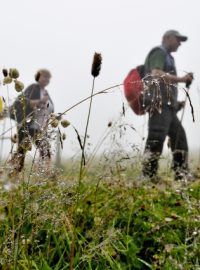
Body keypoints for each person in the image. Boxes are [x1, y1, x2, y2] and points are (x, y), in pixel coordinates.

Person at [142, 30, 194, 182]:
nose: (180, 43)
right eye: (178, 39)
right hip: (158, 104)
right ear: (167, 38)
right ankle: (148, 176)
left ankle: (181, 173)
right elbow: (156, 73)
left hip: (168, 107)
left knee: (180, 138)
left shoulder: (169, 57)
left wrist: (176, 103)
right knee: (156, 137)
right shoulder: (159, 52)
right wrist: (182, 79)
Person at [10, 69, 54, 173]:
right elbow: (21, 100)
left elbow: (50, 110)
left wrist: (56, 117)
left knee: (44, 150)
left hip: (40, 128)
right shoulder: (33, 88)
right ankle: (13, 174)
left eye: (48, 78)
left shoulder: (46, 92)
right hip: (28, 126)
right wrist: (39, 102)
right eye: (44, 77)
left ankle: (45, 173)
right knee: (22, 152)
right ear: (38, 77)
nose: (46, 79)